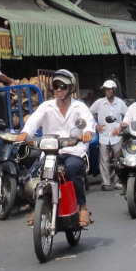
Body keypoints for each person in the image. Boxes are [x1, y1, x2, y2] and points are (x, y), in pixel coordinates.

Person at [16, 69, 95, 226]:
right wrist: (24, 133)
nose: (59, 90)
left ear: (70, 88)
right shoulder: (46, 106)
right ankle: (36, 207)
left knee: (72, 170)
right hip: (50, 152)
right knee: (35, 174)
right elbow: (33, 121)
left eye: (63, 86)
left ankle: (83, 208)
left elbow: (89, 123)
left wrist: (87, 133)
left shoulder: (79, 107)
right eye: (56, 86)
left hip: (74, 151)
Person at [89, 80, 126, 191]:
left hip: (117, 136)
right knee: (104, 160)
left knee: (118, 159)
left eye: (109, 89)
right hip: (104, 135)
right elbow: (87, 113)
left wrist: (120, 127)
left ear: (114, 90)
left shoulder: (120, 103)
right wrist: (96, 125)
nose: (107, 91)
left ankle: (118, 182)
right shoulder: (99, 102)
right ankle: (106, 183)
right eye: (105, 89)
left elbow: (128, 116)